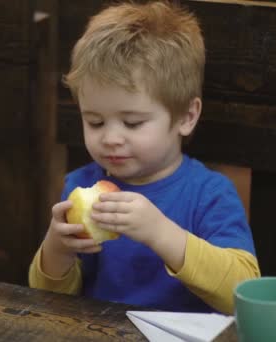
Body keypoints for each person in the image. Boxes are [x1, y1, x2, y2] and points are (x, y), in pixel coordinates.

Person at [29, 0, 260, 314]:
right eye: (94, 121)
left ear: (186, 116)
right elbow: (48, 301)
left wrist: (160, 232)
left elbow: (243, 293)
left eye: (133, 122)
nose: (110, 138)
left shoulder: (208, 194)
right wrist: (57, 249)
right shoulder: (81, 184)